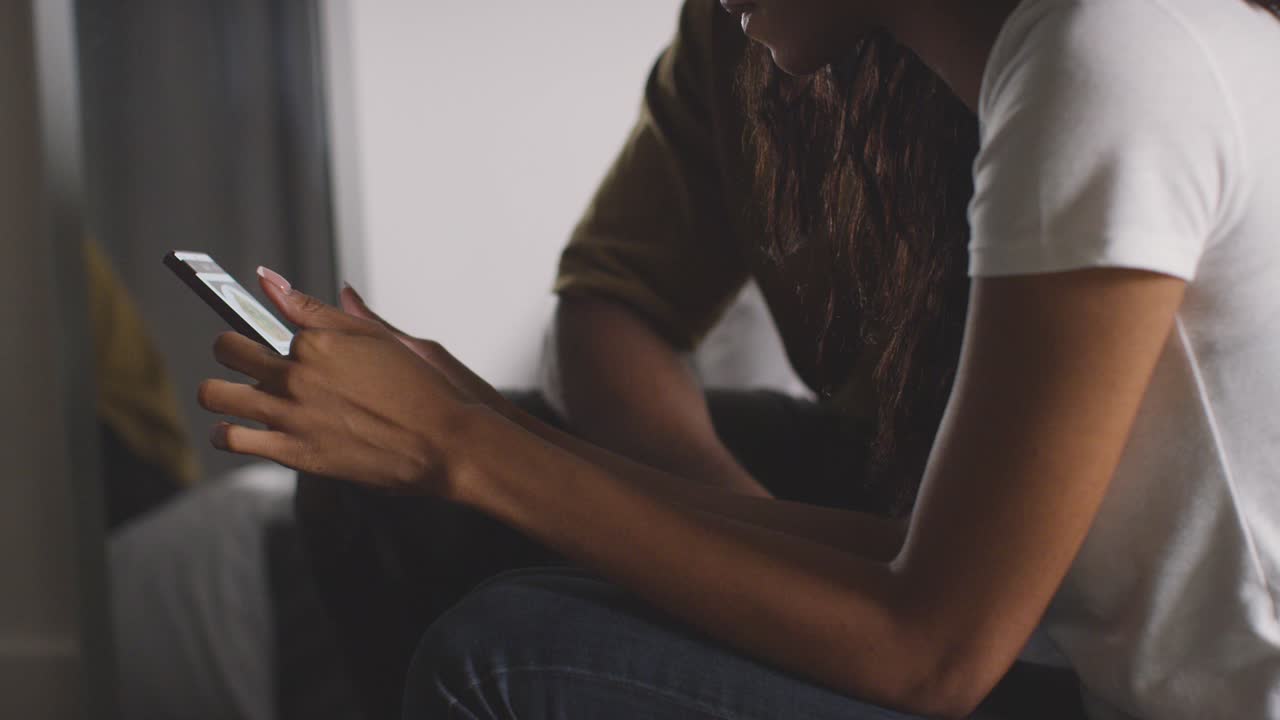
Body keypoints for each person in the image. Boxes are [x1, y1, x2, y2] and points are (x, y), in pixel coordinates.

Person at [198, 1, 1280, 719]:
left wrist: (467, 448)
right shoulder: (1087, 50)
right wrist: (489, 426)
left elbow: (935, 651)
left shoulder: (1110, 59)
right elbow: (919, 561)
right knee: (524, 594)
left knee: (504, 654)